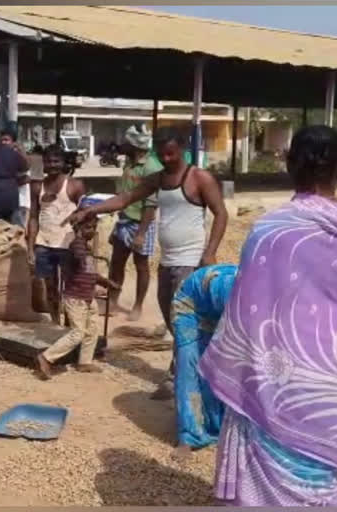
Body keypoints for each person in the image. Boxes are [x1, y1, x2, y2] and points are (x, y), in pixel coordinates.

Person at [198, 125, 337, 506]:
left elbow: (248, 307)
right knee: (329, 470)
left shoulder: (266, 229)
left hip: (274, 375)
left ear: (290, 166)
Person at [67, 128, 228, 400]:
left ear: (183, 150)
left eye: (171, 153)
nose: (166, 158)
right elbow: (125, 199)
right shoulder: (159, 179)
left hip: (190, 261)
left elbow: (221, 214)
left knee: (182, 320)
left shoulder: (199, 178)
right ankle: (192, 368)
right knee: (170, 316)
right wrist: (92, 209)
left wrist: (209, 252)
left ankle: (179, 378)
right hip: (166, 261)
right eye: (161, 153)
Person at [36, 215, 119, 379]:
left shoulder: (85, 249)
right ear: (78, 229)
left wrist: (106, 282)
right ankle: (46, 357)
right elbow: (76, 258)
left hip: (87, 296)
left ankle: (84, 361)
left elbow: (90, 273)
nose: (92, 231)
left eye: (94, 228)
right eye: (88, 228)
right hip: (76, 298)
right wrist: (80, 241)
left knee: (93, 329)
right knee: (78, 333)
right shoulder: (76, 246)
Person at [171, 263, 236, 460]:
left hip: (219, 313)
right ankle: (188, 436)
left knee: (218, 370)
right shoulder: (238, 294)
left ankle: (216, 426)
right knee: (189, 364)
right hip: (190, 306)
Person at [108, 125, 162, 321]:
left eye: (126, 143)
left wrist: (141, 233)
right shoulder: (129, 164)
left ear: (134, 145)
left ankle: (138, 305)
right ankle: (113, 300)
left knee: (141, 265)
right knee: (116, 263)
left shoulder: (151, 168)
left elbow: (150, 204)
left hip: (141, 223)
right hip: (124, 220)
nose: (123, 146)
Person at [28, 144, 86, 323]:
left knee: (70, 289)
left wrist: (82, 242)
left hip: (67, 244)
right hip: (44, 244)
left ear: (63, 163)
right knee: (51, 288)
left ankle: (71, 325)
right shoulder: (37, 187)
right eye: (48, 161)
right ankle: (55, 324)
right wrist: (31, 247)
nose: (52, 165)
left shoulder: (75, 185)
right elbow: (33, 217)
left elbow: (85, 216)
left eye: (56, 161)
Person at [0, 127, 31, 228]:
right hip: (5, 202)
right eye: (1, 140)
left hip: (19, 202)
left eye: (6, 140)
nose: (4, 142)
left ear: (14, 142)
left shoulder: (19, 156)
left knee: (17, 232)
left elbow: (26, 178)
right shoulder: (0, 157)